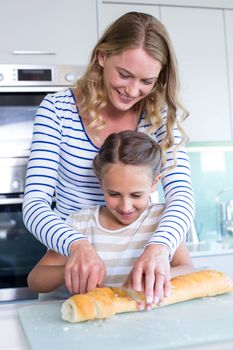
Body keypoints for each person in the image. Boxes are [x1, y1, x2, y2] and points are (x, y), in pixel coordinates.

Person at [23, 11, 194, 305]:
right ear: (102, 56)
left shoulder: (160, 117)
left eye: (147, 81)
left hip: (132, 290)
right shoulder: (56, 110)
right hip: (73, 283)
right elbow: (35, 204)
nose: (132, 90)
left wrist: (158, 248)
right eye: (124, 74)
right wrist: (76, 245)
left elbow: (182, 196)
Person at [27, 131, 194, 306]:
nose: (125, 206)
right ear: (101, 183)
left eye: (136, 195)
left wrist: (153, 277)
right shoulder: (80, 223)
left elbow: (188, 269)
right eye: (114, 194)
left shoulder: (163, 220)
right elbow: (35, 280)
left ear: (154, 183)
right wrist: (73, 270)